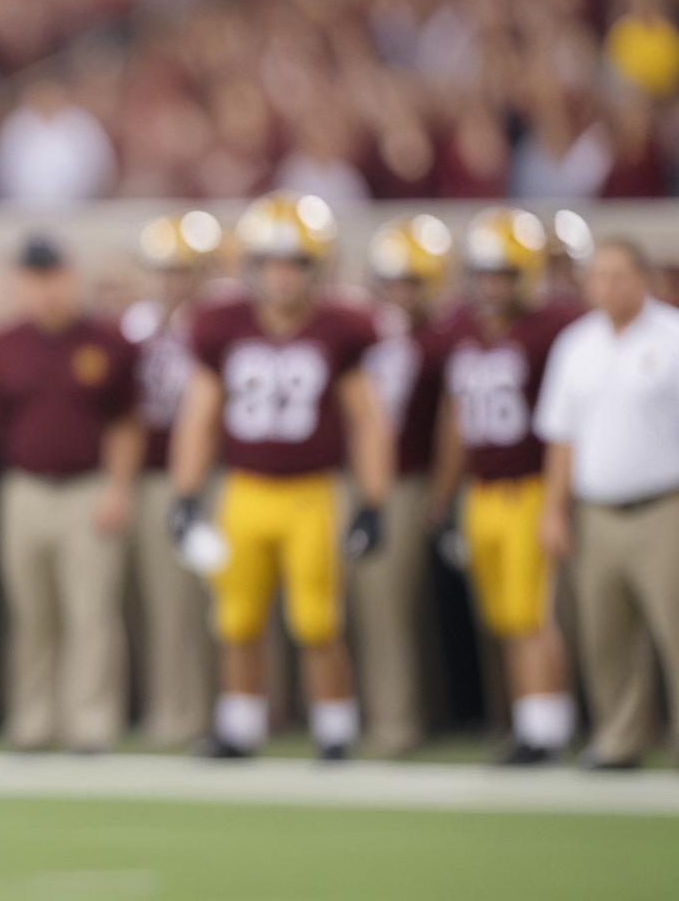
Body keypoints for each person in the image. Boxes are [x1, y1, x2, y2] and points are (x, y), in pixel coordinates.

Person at [168, 192, 392, 761]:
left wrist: (372, 499)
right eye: (270, 262)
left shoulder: (341, 327)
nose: (281, 276)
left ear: (318, 267)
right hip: (244, 488)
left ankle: (335, 729)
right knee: (236, 617)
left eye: (293, 263)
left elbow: (366, 419)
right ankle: (240, 727)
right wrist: (186, 494)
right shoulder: (222, 323)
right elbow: (200, 414)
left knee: (317, 620)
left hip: (311, 491)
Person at [0, 234, 141, 752]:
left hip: (86, 488)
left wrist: (119, 488)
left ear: (71, 277)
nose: (47, 289)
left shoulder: (105, 340)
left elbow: (124, 423)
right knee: (30, 611)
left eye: (54, 276)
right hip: (24, 490)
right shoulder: (6, 345)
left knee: (90, 612)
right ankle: (34, 718)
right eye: (35, 278)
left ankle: (91, 721)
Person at [429, 208, 580, 763]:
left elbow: (568, 421)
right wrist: (444, 493)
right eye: (484, 273)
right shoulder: (461, 330)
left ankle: (547, 729)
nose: (492, 285)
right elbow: (454, 416)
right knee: (504, 618)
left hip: (529, 487)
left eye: (504, 274)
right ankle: (529, 722)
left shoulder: (552, 328)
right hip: (483, 491)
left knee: (530, 616)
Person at [536, 238, 679, 770]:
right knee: (606, 635)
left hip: (664, 507)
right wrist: (554, 510)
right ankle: (621, 738)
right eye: (599, 275)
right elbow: (561, 437)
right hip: (596, 512)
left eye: (619, 274)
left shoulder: (672, 337)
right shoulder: (576, 345)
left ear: (645, 278)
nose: (608, 285)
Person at [121, 212, 220, 748]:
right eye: (163, 270)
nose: (171, 281)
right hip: (152, 475)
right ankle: (174, 710)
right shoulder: (135, 327)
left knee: (211, 602)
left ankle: (230, 710)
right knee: (163, 603)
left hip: (213, 474)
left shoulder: (217, 323)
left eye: (182, 270)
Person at [355, 214, 453, 757]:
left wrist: (440, 492)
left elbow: (450, 424)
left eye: (411, 281)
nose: (399, 293)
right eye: (391, 281)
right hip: (366, 479)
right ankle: (396, 712)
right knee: (372, 605)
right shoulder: (365, 331)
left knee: (391, 606)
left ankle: (399, 722)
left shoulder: (439, 340)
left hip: (408, 480)